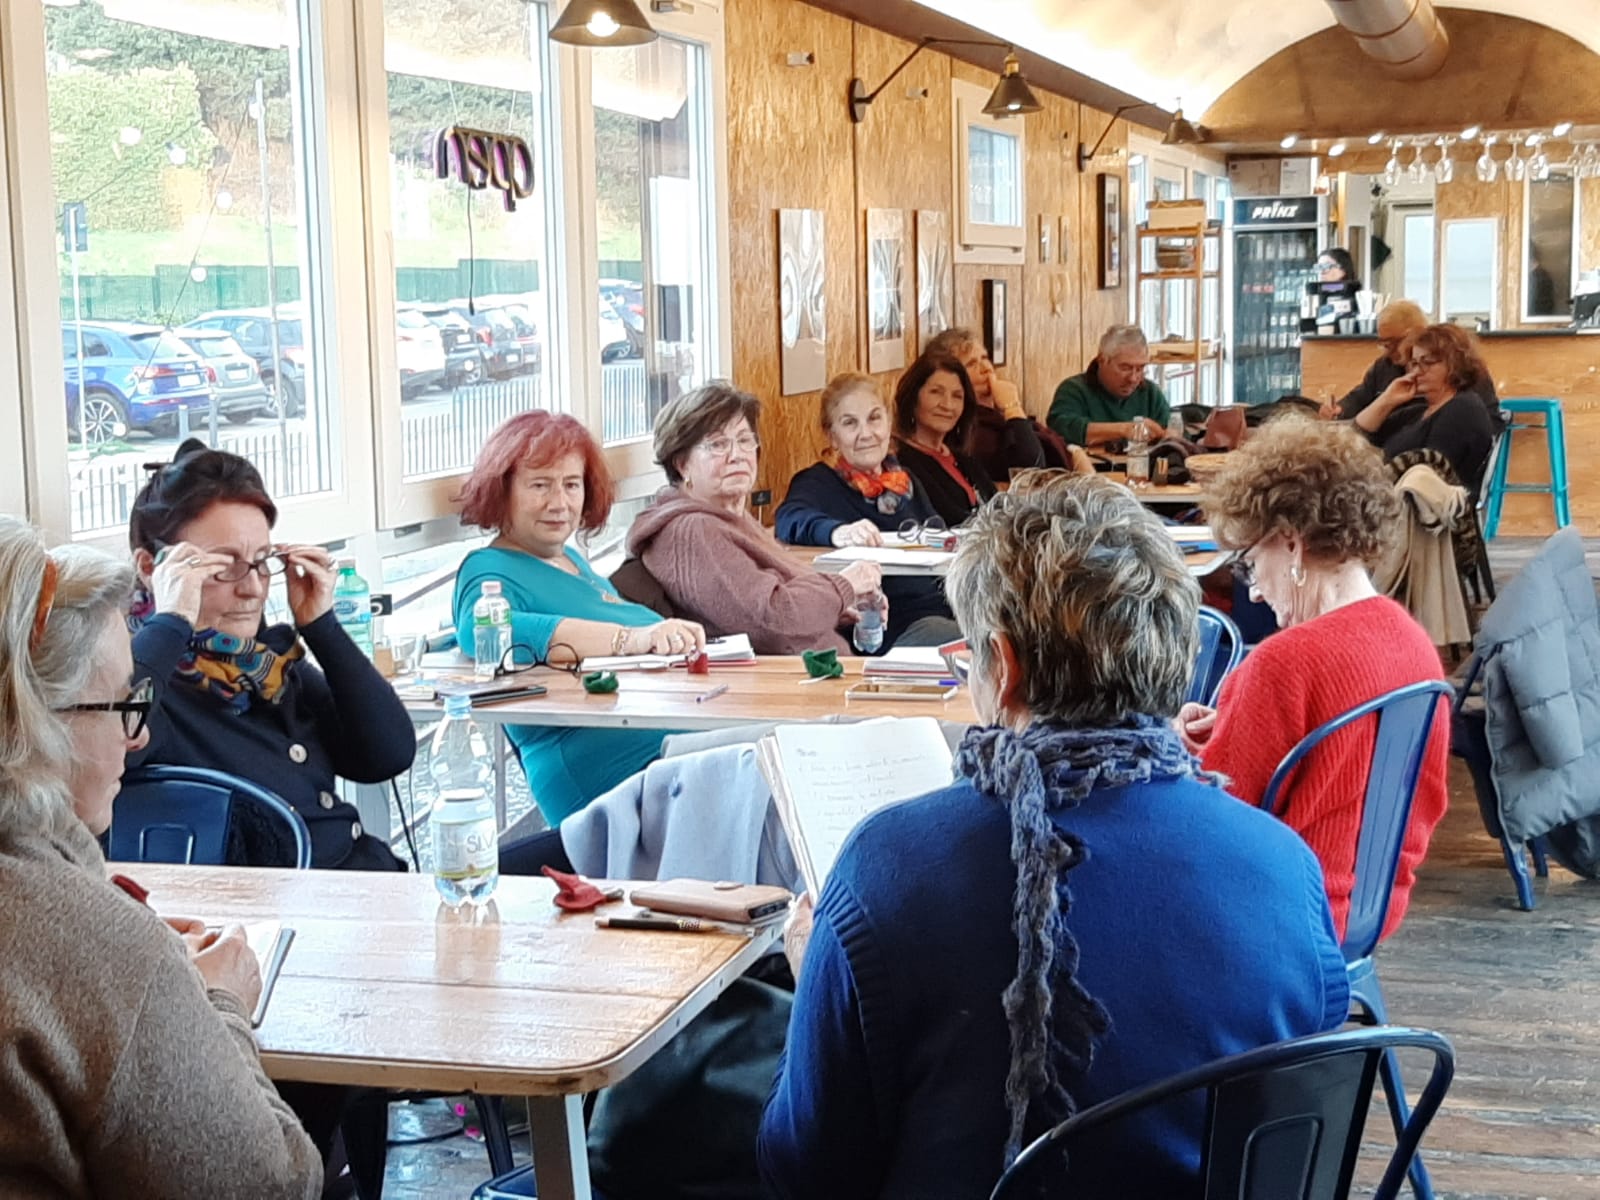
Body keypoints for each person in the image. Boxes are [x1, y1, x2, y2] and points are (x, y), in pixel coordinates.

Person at [760, 474, 1349, 1199]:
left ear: (1003, 669)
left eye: (969, 657)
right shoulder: (1282, 862)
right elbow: (1304, 1106)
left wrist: (813, 983)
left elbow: (805, 1168)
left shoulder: (888, 868)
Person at [0, 517, 321, 1198]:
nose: (137, 736)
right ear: (37, 719)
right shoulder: (91, 945)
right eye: (123, 703)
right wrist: (220, 1007)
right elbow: (267, 1184)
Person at [1179, 419, 1450, 941]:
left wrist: (1168, 753)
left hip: (1280, 920)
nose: (1254, 592)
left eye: (1250, 564)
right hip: (1371, 910)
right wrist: (1234, 724)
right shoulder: (1414, 644)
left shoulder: (1282, 663)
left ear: (1291, 543)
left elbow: (1211, 829)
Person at [128, 440, 413, 871]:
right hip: (285, 907)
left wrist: (321, 627)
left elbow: (386, 755)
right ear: (152, 569)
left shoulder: (265, 665)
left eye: (261, 562)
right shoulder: (145, 680)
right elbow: (110, 738)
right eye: (222, 566)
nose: (252, 588)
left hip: (365, 886)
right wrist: (171, 622)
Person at [454, 411, 706, 827]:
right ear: (502, 491)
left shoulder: (570, 560)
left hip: (661, 743)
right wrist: (633, 639)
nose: (560, 503)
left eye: (572, 485)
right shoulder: (489, 568)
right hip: (602, 770)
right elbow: (482, 633)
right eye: (540, 485)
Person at [630, 383, 890, 655]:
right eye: (718, 445)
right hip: (796, 678)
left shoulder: (730, 516)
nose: (737, 456)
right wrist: (844, 585)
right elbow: (773, 619)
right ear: (682, 464)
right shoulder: (694, 531)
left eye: (744, 440)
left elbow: (778, 601)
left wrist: (841, 604)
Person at [774, 373, 961, 648]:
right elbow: (789, 518)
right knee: (986, 646)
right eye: (850, 423)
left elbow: (940, 538)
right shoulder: (818, 482)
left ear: (888, 423)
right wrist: (838, 532)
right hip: (888, 628)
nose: (866, 434)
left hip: (946, 609)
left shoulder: (904, 481)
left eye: (874, 419)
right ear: (832, 436)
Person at [1352, 322, 1497, 496]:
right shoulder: (1419, 411)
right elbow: (1356, 435)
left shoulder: (1463, 409)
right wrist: (1387, 399)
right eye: (1413, 364)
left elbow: (1430, 478)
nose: (1416, 372)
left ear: (1455, 364)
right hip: (1386, 498)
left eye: (1427, 362)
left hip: (1419, 505)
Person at [924, 327, 1088, 478]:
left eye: (984, 358)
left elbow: (1056, 443)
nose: (986, 368)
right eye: (971, 364)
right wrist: (1012, 406)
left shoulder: (997, 415)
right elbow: (1030, 466)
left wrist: (1075, 452)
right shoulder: (968, 429)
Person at [1331, 300, 1501, 432]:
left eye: (1394, 343)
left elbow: (1491, 424)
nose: (1389, 351)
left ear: (1419, 333)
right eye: (1383, 344)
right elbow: (1357, 400)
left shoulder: (1464, 370)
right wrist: (1339, 410)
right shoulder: (1384, 366)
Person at [890, 351, 996, 527]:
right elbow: (951, 519)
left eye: (957, 396)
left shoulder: (963, 458)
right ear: (913, 397)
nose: (947, 405)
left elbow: (999, 506)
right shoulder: (901, 462)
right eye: (936, 392)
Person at [1046, 324, 1172, 449]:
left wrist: (1166, 434)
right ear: (1102, 360)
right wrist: (1124, 430)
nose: (1133, 379)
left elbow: (1173, 431)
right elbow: (1060, 428)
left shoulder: (1151, 394)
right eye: (1125, 368)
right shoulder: (1074, 390)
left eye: (1140, 369)